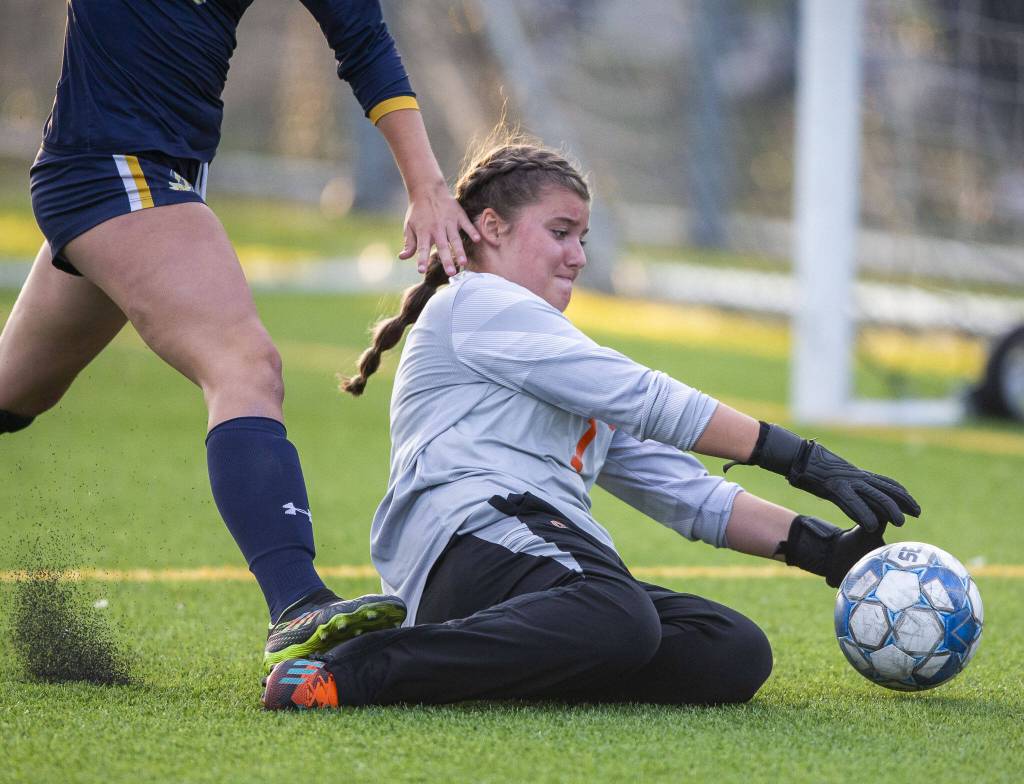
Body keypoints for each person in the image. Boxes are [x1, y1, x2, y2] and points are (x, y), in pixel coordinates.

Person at [260, 132, 921, 709]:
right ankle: (359, 668)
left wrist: (823, 550)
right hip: (468, 547)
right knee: (620, 617)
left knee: (730, 650)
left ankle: (508, 663)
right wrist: (800, 459)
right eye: (559, 233)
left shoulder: (550, 350)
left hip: (531, 568)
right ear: (491, 228)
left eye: (583, 238)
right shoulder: (479, 303)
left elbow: (683, 490)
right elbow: (647, 397)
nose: (578, 255)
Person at [0, 0, 480, 673]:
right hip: (111, 171)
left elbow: (363, 38)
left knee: (13, 393)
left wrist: (427, 183)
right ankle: (296, 601)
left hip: (153, 175)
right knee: (244, 364)